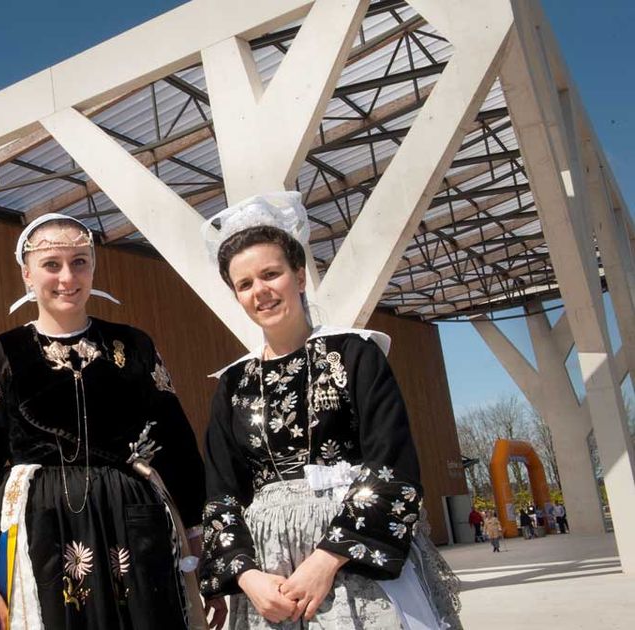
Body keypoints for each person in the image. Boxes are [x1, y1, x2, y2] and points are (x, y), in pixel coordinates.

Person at [0, 213, 215, 630]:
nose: (67, 277)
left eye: (79, 261)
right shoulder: (2, 355)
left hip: (133, 521)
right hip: (41, 525)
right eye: (52, 264)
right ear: (27, 275)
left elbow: (178, 450)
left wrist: (203, 564)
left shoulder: (133, 346)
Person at [197, 192, 461, 629]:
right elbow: (222, 493)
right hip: (270, 574)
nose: (260, 291)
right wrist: (247, 577)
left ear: (299, 276)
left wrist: (326, 560)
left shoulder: (355, 354)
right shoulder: (233, 384)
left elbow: (391, 465)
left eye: (271, 274)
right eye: (244, 284)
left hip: (349, 555)